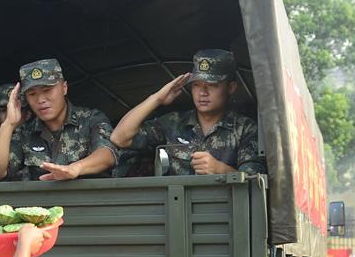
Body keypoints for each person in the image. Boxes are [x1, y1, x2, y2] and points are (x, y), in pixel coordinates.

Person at [110, 50, 264, 176]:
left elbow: (255, 185)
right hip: (176, 209)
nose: (202, 92)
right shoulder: (173, 123)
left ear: (231, 88)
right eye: (197, 85)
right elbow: (119, 138)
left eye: (212, 85)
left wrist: (221, 170)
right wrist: (156, 99)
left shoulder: (245, 129)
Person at [0, 59, 119, 181]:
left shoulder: (90, 119)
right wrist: (8, 124)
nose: (41, 100)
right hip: (41, 206)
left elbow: (107, 154)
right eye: (32, 94)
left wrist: (74, 169)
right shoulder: (25, 132)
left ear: (64, 88)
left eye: (47, 90)